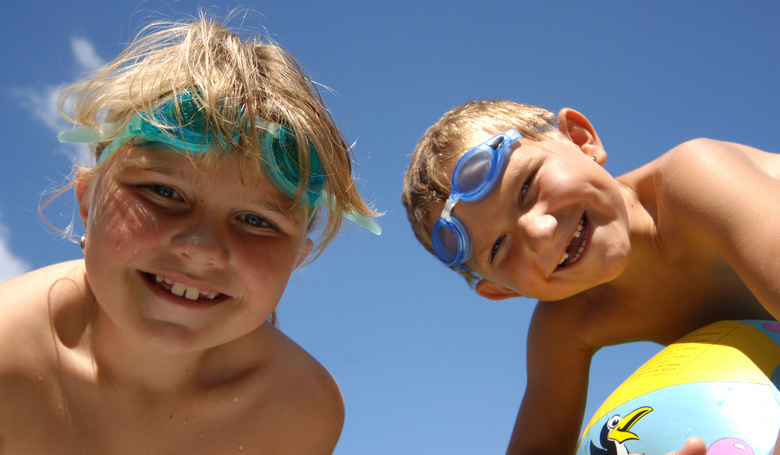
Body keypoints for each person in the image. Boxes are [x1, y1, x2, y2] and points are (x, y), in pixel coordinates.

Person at [0, 13, 380, 454]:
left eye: (257, 221)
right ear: (87, 199)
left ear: (298, 257)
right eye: (164, 192)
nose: (202, 249)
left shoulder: (297, 411)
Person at [401, 99, 780, 455]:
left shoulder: (694, 180)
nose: (539, 232)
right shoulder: (568, 325)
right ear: (502, 289)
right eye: (499, 247)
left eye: (527, 186)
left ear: (582, 141)